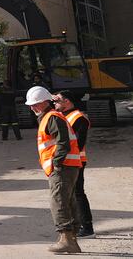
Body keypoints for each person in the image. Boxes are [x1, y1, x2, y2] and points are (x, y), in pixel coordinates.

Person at [25, 86, 84, 253]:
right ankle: (70, 240)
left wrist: (56, 164)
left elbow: (63, 142)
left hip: (62, 167)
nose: (32, 108)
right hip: (68, 166)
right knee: (67, 201)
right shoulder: (50, 117)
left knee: (58, 201)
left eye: (35, 104)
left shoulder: (51, 117)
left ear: (45, 103)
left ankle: (67, 239)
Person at [54, 92, 94, 237]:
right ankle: (78, 225)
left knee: (78, 193)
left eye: (58, 100)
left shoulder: (78, 118)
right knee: (71, 194)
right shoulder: (63, 116)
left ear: (68, 101)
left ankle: (87, 227)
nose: (55, 103)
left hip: (76, 161)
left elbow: (78, 143)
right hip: (68, 160)